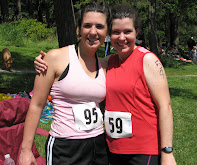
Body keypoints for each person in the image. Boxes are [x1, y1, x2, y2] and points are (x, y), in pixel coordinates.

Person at [34, 4, 176, 165]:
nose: (122, 37)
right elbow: (79, 66)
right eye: (116, 32)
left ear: (137, 32)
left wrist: (167, 152)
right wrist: (45, 63)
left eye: (127, 32)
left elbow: (165, 107)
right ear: (109, 35)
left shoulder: (148, 60)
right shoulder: (109, 62)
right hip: (111, 149)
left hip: (142, 151)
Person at [19, 1, 111, 165]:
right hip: (65, 146)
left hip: (98, 145)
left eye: (99, 26)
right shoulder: (56, 58)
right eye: (87, 25)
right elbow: (36, 105)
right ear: (78, 29)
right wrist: (26, 150)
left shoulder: (105, 65)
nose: (93, 32)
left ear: (107, 32)